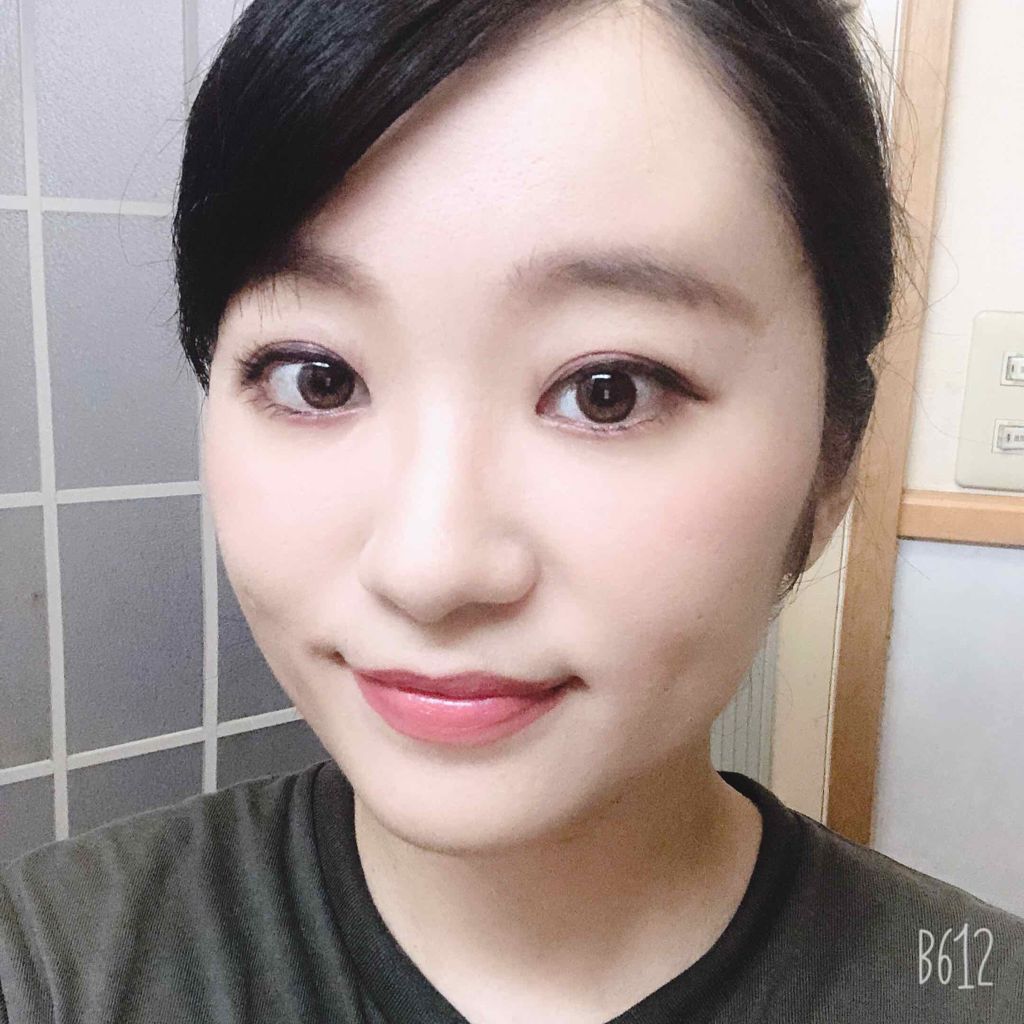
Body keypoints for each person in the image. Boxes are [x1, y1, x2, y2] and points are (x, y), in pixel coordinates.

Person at [2, 0, 1022, 1021]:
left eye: (608, 390)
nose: (429, 566)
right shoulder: (53, 966)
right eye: (318, 377)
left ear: (833, 457)